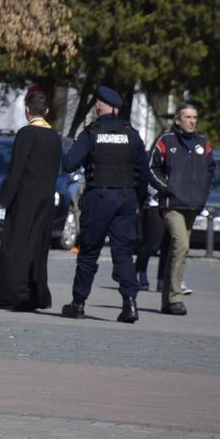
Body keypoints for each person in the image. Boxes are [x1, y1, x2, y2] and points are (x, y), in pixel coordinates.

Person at [61, 86, 147, 323]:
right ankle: (130, 304)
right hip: (125, 198)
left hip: (99, 198)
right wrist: (138, 201)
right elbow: (144, 172)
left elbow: (68, 164)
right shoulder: (131, 134)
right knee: (123, 252)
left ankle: (78, 304)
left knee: (89, 252)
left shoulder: (92, 133)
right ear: (116, 109)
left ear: (99, 107)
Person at [0, 93, 63, 311]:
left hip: (24, 199)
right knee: (38, 247)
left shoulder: (25, 134)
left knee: (17, 246)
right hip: (45, 199)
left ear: (27, 111)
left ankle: (14, 293)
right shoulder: (55, 136)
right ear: (46, 112)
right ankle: (37, 294)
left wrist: (5, 197)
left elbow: (16, 169)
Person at [148, 102, 215, 316]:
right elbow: (151, 166)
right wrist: (167, 188)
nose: (191, 121)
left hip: (192, 204)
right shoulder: (166, 140)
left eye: (194, 117)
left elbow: (210, 169)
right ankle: (176, 297)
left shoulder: (202, 142)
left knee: (177, 251)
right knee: (181, 245)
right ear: (178, 120)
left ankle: (166, 301)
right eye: (187, 117)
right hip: (172, 204)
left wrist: (203, 193)